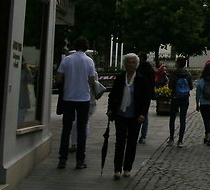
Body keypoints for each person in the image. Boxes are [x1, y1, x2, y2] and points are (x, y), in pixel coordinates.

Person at [56, 37, 99, 169]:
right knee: (81, 129)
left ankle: (62, 159)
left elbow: (58, 78)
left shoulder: (67, 60)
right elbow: (92, 80)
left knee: (66, 129)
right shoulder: (89, 61)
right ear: (86, 47)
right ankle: (80, 160)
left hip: (68, 97)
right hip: (83, 98)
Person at [106, 53, 151, 180]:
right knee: (120, 141)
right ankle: (117, 169)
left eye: (133, 62)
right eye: (129, 62)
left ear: (136, 64)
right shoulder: (120, 78)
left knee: (131, 142)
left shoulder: (141, 80)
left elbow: (146, 99)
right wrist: (110, 109)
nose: (131, 65)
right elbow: (113, 95)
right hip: (121, 114)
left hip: (135, 116)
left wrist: (143, 114)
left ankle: (127, 168)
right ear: (125, 64)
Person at [167, 55, 193, 147]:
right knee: (183, 119)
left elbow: (170, 86)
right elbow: (191, 87)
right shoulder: (188, 74)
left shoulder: (174, 74)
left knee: (172, 118)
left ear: (177, 63)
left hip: (175, 97)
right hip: (185, 97)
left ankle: (171, 138)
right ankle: (180, 140)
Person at [137, 53, 155, 143]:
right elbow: (152, 81)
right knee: (145, 114)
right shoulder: (150, 69)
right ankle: (143, 136)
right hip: (147, 94)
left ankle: (136, 133)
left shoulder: (139, 68)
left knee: (137, 113)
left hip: (138, 93)